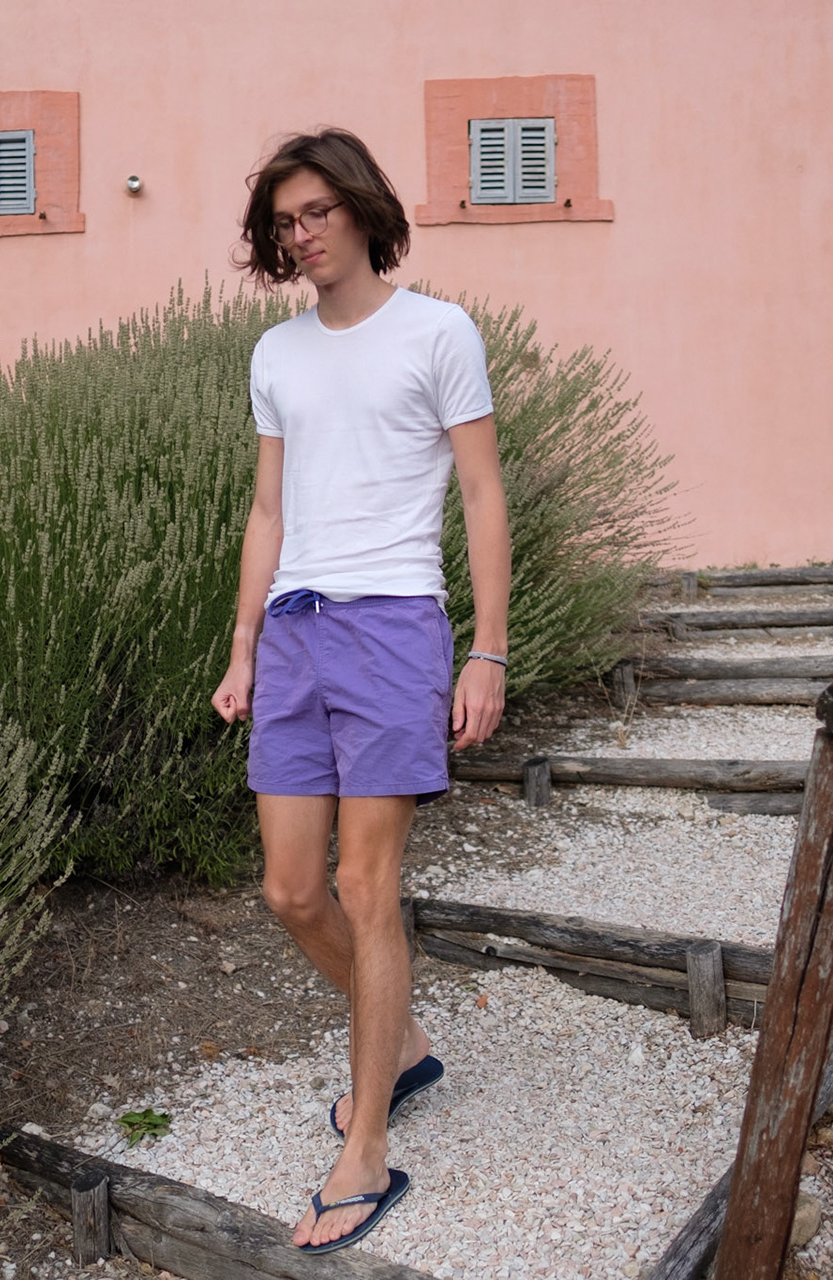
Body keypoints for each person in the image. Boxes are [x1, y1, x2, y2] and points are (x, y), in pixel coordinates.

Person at [210, 128, 512, 1255]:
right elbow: (268, 511)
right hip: (293, 631)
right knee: (293, 891)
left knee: (364, 884)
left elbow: (481, 493)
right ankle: (405, 1043)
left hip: (393, 627)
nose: (302, 234)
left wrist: (487, 650)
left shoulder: (438, 332)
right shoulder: (276, 354)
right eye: (285, 221)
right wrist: (243, 645)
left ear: (362, 209)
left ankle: (368, 1145)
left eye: (318, 212)